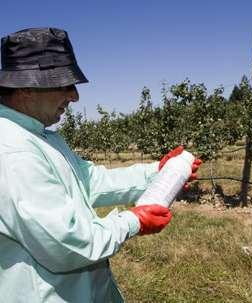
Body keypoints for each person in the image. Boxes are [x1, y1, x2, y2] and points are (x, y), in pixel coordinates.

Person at [0, 28, 200, 303]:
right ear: (25, 89)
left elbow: (89, 180)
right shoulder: (12, 150)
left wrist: (156, 173)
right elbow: (64, 243)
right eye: (65, 85)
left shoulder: (42, 137)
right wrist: (133, 221)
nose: (74, 97)